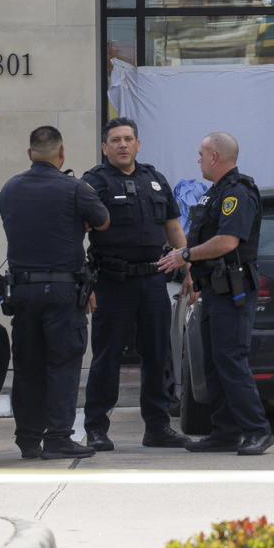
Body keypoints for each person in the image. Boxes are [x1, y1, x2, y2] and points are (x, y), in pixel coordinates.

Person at [0, 126, 109, 460]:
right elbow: (102, 220)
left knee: (28, 366)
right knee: (62, 363)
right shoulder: (75, 188)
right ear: (61, 155)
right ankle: (59, 436)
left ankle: (29, 439)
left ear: (30, 154)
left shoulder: (10, 189)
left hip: (23, 291)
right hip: (62, 291)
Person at [158, 132, 273, 456]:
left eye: (201, 154)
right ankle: (225, 432)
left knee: (231, 361)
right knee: (214, 363)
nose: (197, 160)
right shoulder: (215, 194)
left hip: (233, 292)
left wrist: (185, 256)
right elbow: (205, 240)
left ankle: (258, 431)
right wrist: (192, 279)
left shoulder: (237, 193)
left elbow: (227, 242)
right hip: (214, 291)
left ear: (214, 157)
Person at [82, 117, 190, 452]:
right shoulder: (92, 182)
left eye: (128, 139)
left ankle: (157, 428)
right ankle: (97, 428)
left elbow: (173, 228)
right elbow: (78, 231)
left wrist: (188, 266)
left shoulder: (154, 179)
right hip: (111, 282)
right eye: (115, 140)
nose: (123, 145)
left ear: (138, 144)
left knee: (157, 355)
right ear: (105, 147)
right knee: (107, 357)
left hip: (152, 280)